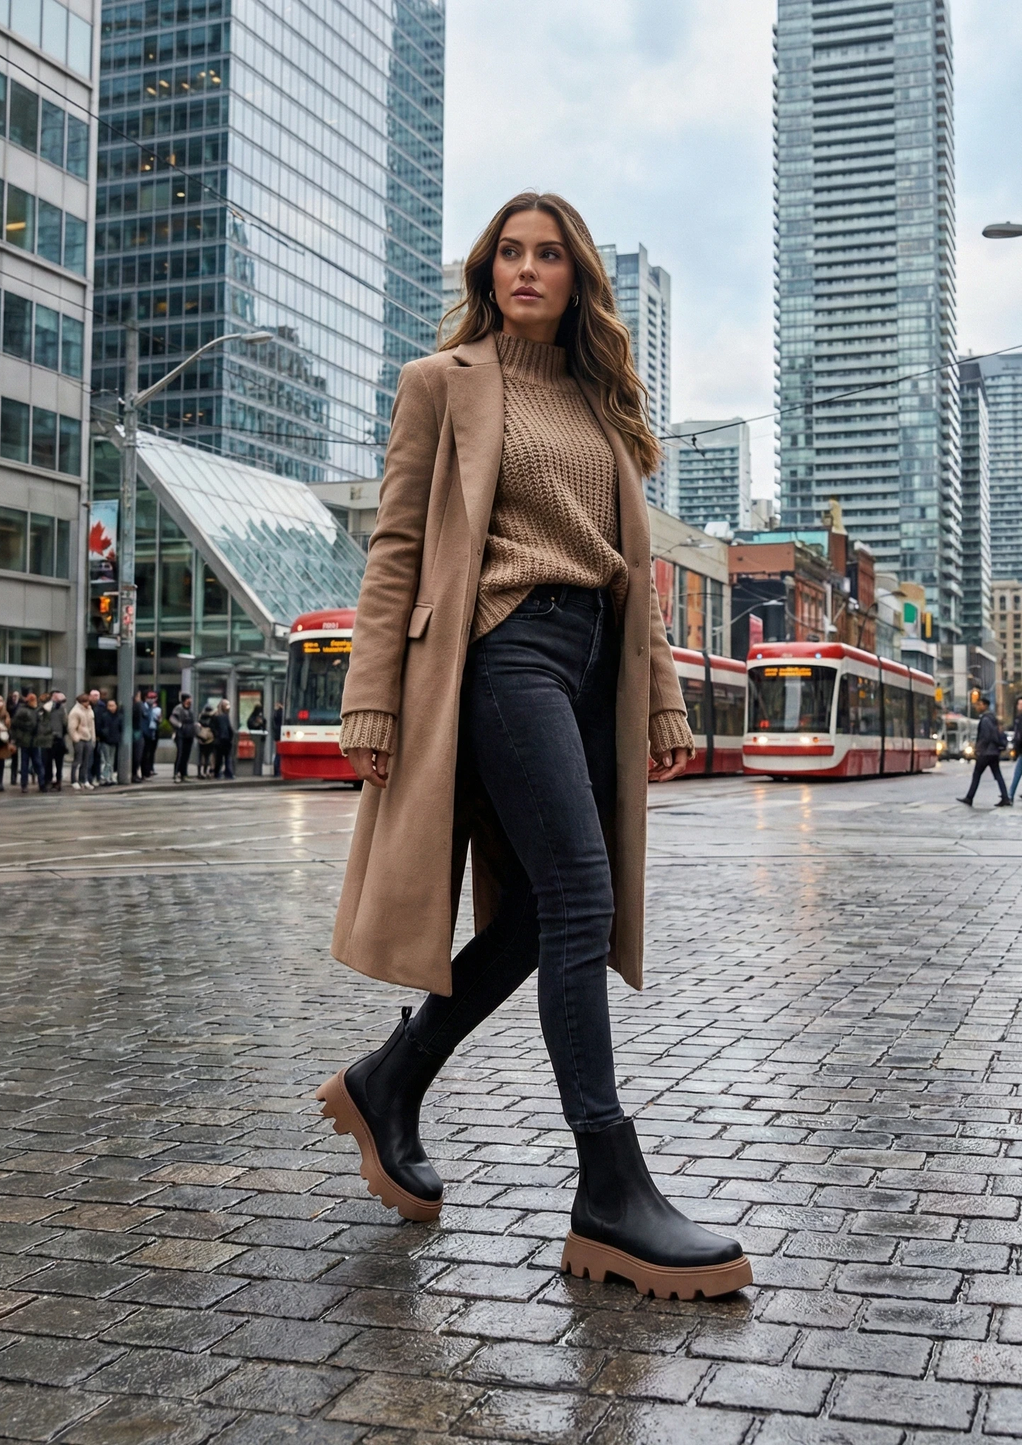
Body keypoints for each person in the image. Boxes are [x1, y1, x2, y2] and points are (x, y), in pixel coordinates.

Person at [319, 191, 752, 1301]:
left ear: (575, 278)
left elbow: (633, 576)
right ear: (487, 272)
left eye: (546, 254)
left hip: (591, 662)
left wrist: (660, 700)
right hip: (501, 652)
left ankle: (390, 1077)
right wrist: (368, 698)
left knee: (542, 915)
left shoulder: (603, 408)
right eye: (507, 253)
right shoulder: (442, 382)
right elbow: (396, 545)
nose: (524, 268)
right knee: (579, 892)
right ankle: (607, 1184)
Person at [958, 694, 1011, 807]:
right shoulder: (993, 718)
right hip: (993, 752)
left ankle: (969, 798)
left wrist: (978, 748)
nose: (977, 707)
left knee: (977, 774)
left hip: (986, 752)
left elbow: (986, 737)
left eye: (979, 704)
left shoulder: (986, 719)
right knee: (997, 775)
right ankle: (1005, 797)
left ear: (985, 705)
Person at [11, 692, 41, 791]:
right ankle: (25, 784)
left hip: (33, 740)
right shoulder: (23, 711)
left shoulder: (36, 710)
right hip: (25, 740)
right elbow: (15, 725)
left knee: (36, 762)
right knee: (26, 763)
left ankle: (41, 783)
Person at [68, 693, 97, 789]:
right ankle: (74, 780)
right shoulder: (75, 712)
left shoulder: (90, 710)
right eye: (86, 702)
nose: (88, 703)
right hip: (80, 739)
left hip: (88, 738)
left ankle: (84, 780)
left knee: (86, 761)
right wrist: (76, 738)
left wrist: (93, 738)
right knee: (77, 760)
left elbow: (92, 726)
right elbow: (72, 728)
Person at [40, 693, 67, 791]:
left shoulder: (45, 708)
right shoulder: (61, 709)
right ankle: (56, 781)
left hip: (50, 738)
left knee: (49, 762)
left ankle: (50, 781)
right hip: (55, 738)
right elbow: (65, 723)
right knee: (56, 762)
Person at [170, 693, 198, 782]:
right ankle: (176, 773)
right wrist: (180, 725)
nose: (191, 701)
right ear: (185, 700)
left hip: (189, 734)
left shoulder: (190, 710)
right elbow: (172, 719)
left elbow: (192, 721)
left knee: (186, 754)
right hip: (181, 734)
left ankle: (184, 773)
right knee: (180, 753)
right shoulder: (178, 709)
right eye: (189, 699)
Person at [99, 699, 123, 783]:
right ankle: (106, 777)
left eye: (113, 705)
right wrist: (104, 734)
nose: (111, 708)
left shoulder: (119, 716)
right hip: (105, 741)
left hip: (114, 740)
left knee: (111, 760)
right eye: (109, 706)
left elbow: (120, 728)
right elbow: (101, 727)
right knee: (107, 760)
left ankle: (110, 776)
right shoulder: (104, 716)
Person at [211, 698, 235, 778]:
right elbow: (229, 728)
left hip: (219, 739)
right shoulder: (224, 716)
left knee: (219, 758)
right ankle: (228, 772)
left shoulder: (215, 716)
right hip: (225, 739)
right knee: (226, 757)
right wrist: (230, 737)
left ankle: (217, 772)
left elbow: (213, 727)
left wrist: (216, 735)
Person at [143, 691, 161, 777]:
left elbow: (159, 719)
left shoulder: (157, 709)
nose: (152, 700)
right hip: (146, 731)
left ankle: (151, 768)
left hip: (154, 730)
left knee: (152, 751)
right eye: (150, 698)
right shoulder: (144, 707)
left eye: (154, 698)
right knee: (146, 751)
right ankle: (146, 770)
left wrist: (159, 719)